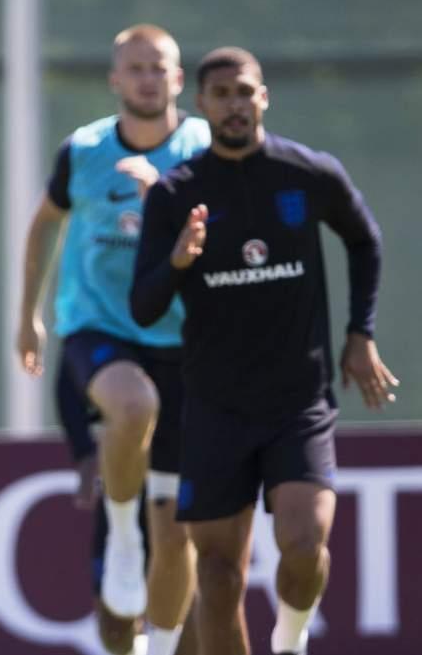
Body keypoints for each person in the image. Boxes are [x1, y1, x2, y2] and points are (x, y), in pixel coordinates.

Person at [131, 46, 397, 655]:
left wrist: (361, 332)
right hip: (216, 409)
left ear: (264, 97)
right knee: (219, 579)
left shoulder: (307, 174)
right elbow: (143, 306)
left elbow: (365, 240)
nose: (234, 105)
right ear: (201, 105)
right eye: (221, 95)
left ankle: (291, 639)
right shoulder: (177, 194)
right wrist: (177, 262)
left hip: (297, 403)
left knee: (305, 549)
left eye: (244, 92)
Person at [15, 24, 207, 654]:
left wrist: (167, 204)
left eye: (160, 67)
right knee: (133, 406)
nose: (148, 78)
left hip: (184, 343)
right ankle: (121, 531)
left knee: (176, 528)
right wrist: (29, 315)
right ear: (115, 78)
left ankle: (166, 639)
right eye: (136, 67)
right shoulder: (85, 150)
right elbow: (43, 223)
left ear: (179, 79)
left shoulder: (205, 151)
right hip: (97, 330)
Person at [55, 368, 198, 655]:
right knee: (114, 627)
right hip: (124, 492)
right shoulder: (108, 332)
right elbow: (68, 381)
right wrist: (84, 452)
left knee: (187, 619)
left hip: (173, 482)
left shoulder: (188, 335)